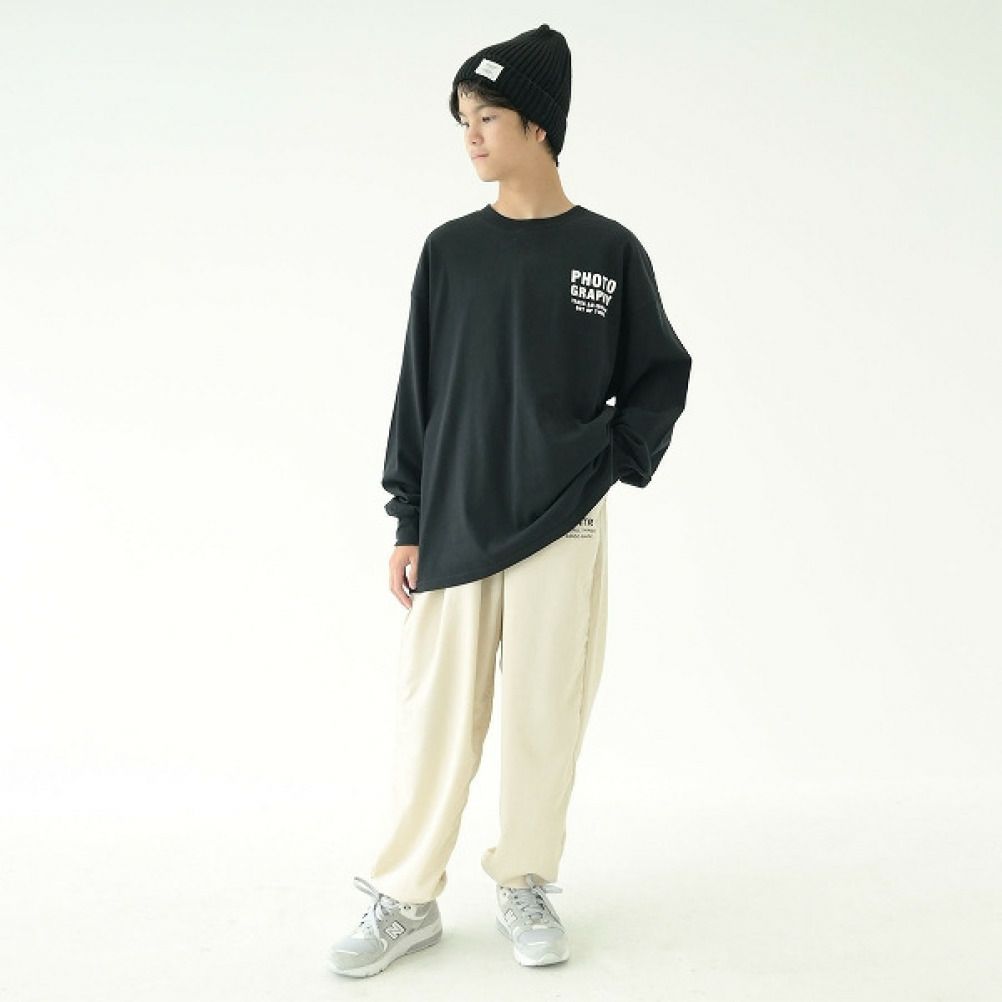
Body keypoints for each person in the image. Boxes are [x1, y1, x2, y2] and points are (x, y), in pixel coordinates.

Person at [328, 23, 692, 978]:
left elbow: (659, 374)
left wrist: (608, 459)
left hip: (562, 523)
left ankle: (525, 879)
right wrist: (408, 518)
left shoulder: (607, 252)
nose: (471, 135)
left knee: (544, 713)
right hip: (456, 519)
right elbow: (419, 390)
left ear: (539, 126)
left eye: (487, 116)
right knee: (435, 718)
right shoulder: (450, 252)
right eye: (463, 118)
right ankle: (406, 895)